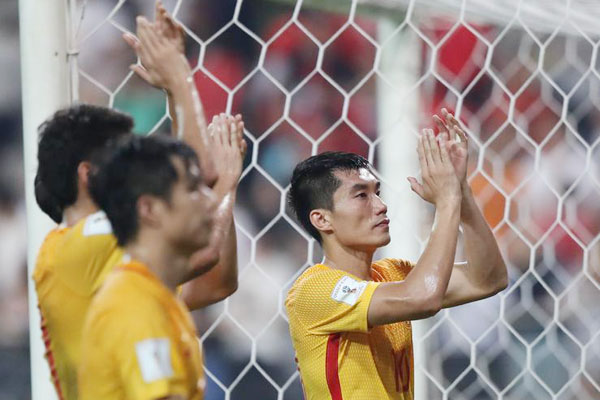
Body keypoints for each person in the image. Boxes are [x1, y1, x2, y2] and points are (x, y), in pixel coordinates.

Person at [32, 4, 243, 399]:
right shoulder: (68, 252)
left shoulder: (129, 272)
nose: (142, 166)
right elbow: (197, 176)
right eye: (123, 155)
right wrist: (179, 79)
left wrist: (224, 186)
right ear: (88, 174)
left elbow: (215, 278)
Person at [285, 109, 508, 399]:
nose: (380, 205)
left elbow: (488, 280)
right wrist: (446, 201)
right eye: (361, 195)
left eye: (377, 192)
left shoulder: (391, 276)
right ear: (322, 220)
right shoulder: (314, 290)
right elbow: (423, 297)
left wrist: (461, 192)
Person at [78, 131, 240, 399]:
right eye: (193, 189)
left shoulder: (156, 295)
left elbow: (219, 279)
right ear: (149, 209)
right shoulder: (133, 304)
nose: (210, 200)